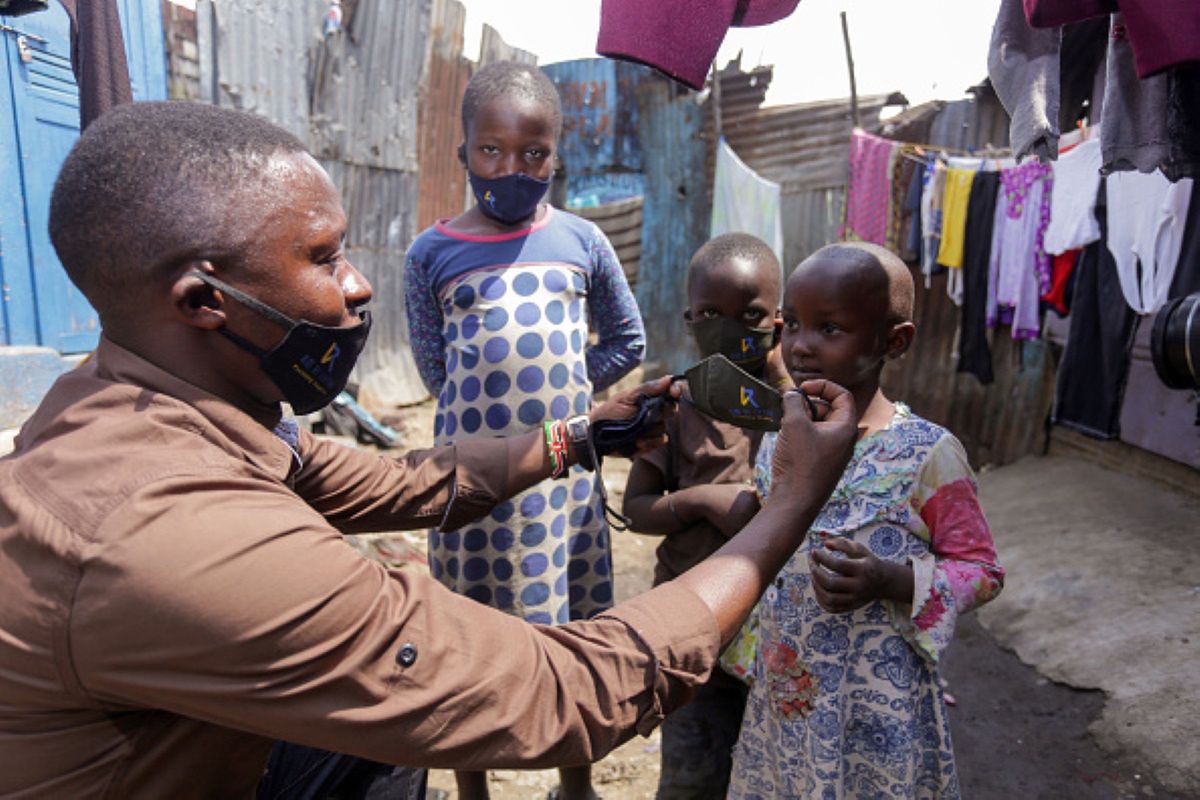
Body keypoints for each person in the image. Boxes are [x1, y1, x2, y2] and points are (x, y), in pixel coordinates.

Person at [0, 101, 859, 798]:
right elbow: (553, 696)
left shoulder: (153, 404)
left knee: (382, 748)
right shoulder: (167, 529)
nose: (357, 282)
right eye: (325, 257)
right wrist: (787, 505)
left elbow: (410, 481)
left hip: (206, 749)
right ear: (203, 300)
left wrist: (587, 434)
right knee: (415, 712)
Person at [404, 61, 645, 800]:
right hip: (471, 485)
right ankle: (472, 787)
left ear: (556, 157)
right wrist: (487, 419)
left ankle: (575, 783)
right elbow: (435, 372)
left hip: (562, 491)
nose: (512, 169)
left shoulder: (583, 243)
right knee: (463, 642)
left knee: (569, 639)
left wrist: (573, 395)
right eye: (492, 153)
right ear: (464, 155)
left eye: (534, 155)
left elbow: (626, 342)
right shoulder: (430, 254)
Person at [726, 243, 1006, 799]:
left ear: (893, 341)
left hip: (879, 707)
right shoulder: (781, 438)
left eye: (830, 329)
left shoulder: (927, 454)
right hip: (787, 699)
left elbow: (982, 570)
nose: (802, 346)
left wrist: (891, 580)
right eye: (795, 325)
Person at [622, 233, 783, 799]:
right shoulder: (676, 403)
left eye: (751, 314)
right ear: (690, 318)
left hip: (778, 639)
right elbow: (635, 509)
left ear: (778, 323)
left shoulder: (803, 413)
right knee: (692, 773)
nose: (730, 326)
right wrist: (702, 501)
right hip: (694, 627)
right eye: (712, 313)